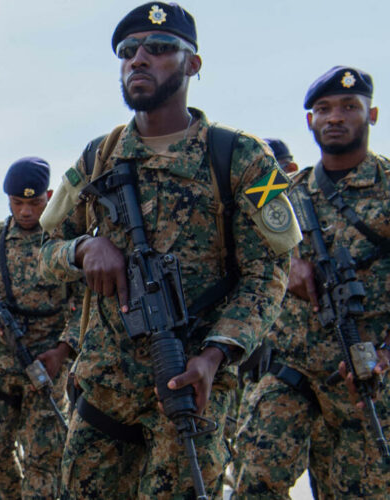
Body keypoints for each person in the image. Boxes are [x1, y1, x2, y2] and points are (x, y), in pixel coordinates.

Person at [39, 3, 300, 498]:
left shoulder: (239, 157)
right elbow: (42, 251)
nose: (139, 59)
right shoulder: (99, 155)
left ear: (193, 65)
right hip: (105, 391)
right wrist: (83, 249)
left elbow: (267, 276)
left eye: (159, 49)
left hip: (190, 389)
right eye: (128, 51)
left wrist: (215, 354)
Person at [235, 66, 390, 498]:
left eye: (348, 107)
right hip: (291, 369)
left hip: (366, 374)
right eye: (323, 109)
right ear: (309, 121)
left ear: (371, 114)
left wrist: (385, 354)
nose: (335, 117)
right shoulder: (283, 193)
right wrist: (292, 261)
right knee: (256, 480)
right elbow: (242, 245)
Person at [0, 156, 81, 499]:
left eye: (35, 202)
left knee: (44, 458)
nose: (26, 211)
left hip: (46, 367)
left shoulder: (62, 241)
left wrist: (63, 350)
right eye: (17, 203)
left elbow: (86, 305)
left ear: (50, 196)